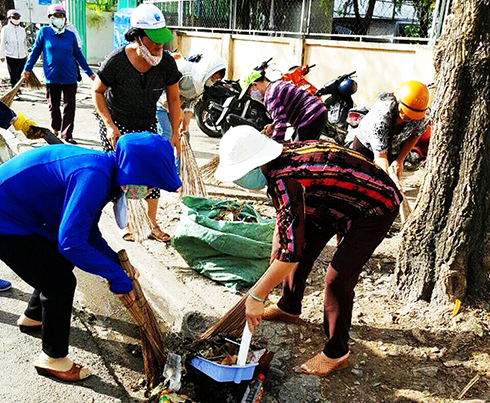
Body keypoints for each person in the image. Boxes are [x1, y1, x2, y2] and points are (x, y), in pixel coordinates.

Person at [214, 125, 401, 377]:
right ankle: (289, 307)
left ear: (255, 164)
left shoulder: (285, 179)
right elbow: (287, 228)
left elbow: (289, 256)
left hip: (374, 205)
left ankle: (337, 353)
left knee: (337, 278)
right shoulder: (278, 161)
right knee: (295, 247)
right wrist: (278, 244)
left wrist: (257, 296)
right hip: (329, 202)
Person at [0, 132, 181, 382]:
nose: (149, 191)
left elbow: (87, 231)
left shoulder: (105, 170)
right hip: (6, 220)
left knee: (58, 262)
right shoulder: (95, 176)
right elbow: (71, 243)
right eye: (150, 185)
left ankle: (34, 316)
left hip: (20, 211)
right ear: (136, 174)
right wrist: (115, 276)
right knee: (59, 283)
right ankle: (52, 359)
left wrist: (113, 262)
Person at [92, 3, 182, 242]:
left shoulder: (166, 63)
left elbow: (173, 98)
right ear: (138, 38)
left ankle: (152, 224)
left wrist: (175, 132)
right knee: (126, 176)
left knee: (150, 172)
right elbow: (97, 92)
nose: (158, 48)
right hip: (117, 125)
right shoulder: (117, 61)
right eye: (153, 43)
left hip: (146, 123)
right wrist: (110, 125)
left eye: (161, 43)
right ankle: (129, 222)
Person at [22, 4, 95, 144]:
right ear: (50, 18)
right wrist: (27, 69)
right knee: (53, 106)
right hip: (52, 76)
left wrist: (90, 73)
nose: (59, 18)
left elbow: (78, 55)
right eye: (56, 16)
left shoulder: (70, 35)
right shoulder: (44, 32)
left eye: (61, 16)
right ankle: (55, 127)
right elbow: (35, 52)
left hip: (69, 76)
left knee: (70, 106)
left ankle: (67, 134)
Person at [156, 52, 226, 168]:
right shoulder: (185, 73)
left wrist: (185, 125)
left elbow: (191, 103)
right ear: (209, 70)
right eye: (213, 77)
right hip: (162, 104)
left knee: (184, 136)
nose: (213, 81)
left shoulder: (202, 86)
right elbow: (168, 94)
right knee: (166, 135)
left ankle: (177, 172)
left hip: (177, 108)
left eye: (216, 79)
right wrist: (178, 112)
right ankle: (162, 169)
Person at [351, 80, 430, 179]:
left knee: (390, 175)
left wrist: (400, 160)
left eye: (413, 116)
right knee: (363, 178)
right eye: (406, 112)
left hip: (393, 148)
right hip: (365, 146)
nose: (408, 117)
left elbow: (416, 135)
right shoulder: (382, 115)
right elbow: (380, 157)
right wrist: (389, 180)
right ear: (398, 102)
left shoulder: (423, 116)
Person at [240, 70, 328, 142]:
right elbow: (281, 116)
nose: (251, 96)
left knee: (297, 152)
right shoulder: (276, 85)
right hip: (318, 112)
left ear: (255, 85)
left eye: (249, 93)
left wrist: (275, 145)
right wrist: (273, 125)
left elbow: (281, 124)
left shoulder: (269, 96)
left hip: (310, 117)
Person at [0, 10, 28, 90]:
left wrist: (26, 53)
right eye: (14, 17)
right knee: (13, 74)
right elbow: (3, 42)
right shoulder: (5, 29)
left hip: (22, 56)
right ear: (9, 18)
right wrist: (1, 55)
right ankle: (15, 89)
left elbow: (24, 42)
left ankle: (17, 88)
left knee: (20, 74)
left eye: (18, 17)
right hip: (10, 55)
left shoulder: (22, 30)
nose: (16, 19)